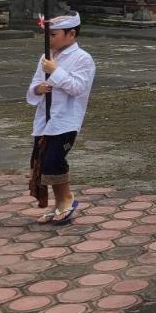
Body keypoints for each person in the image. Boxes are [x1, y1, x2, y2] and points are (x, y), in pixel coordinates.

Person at [27, 12, 95, 225]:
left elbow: (78, 88)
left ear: (71, 34)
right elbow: (34, 84)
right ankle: (58, 204)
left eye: (54, 35)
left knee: (54, 160)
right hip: (44, 119)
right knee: (41, 162)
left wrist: (55, 72)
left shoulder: (83, 58)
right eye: (47, 35)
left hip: (66, 119)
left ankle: (66, 199)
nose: (49, 39)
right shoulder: (47, 56)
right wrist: (38, 89)